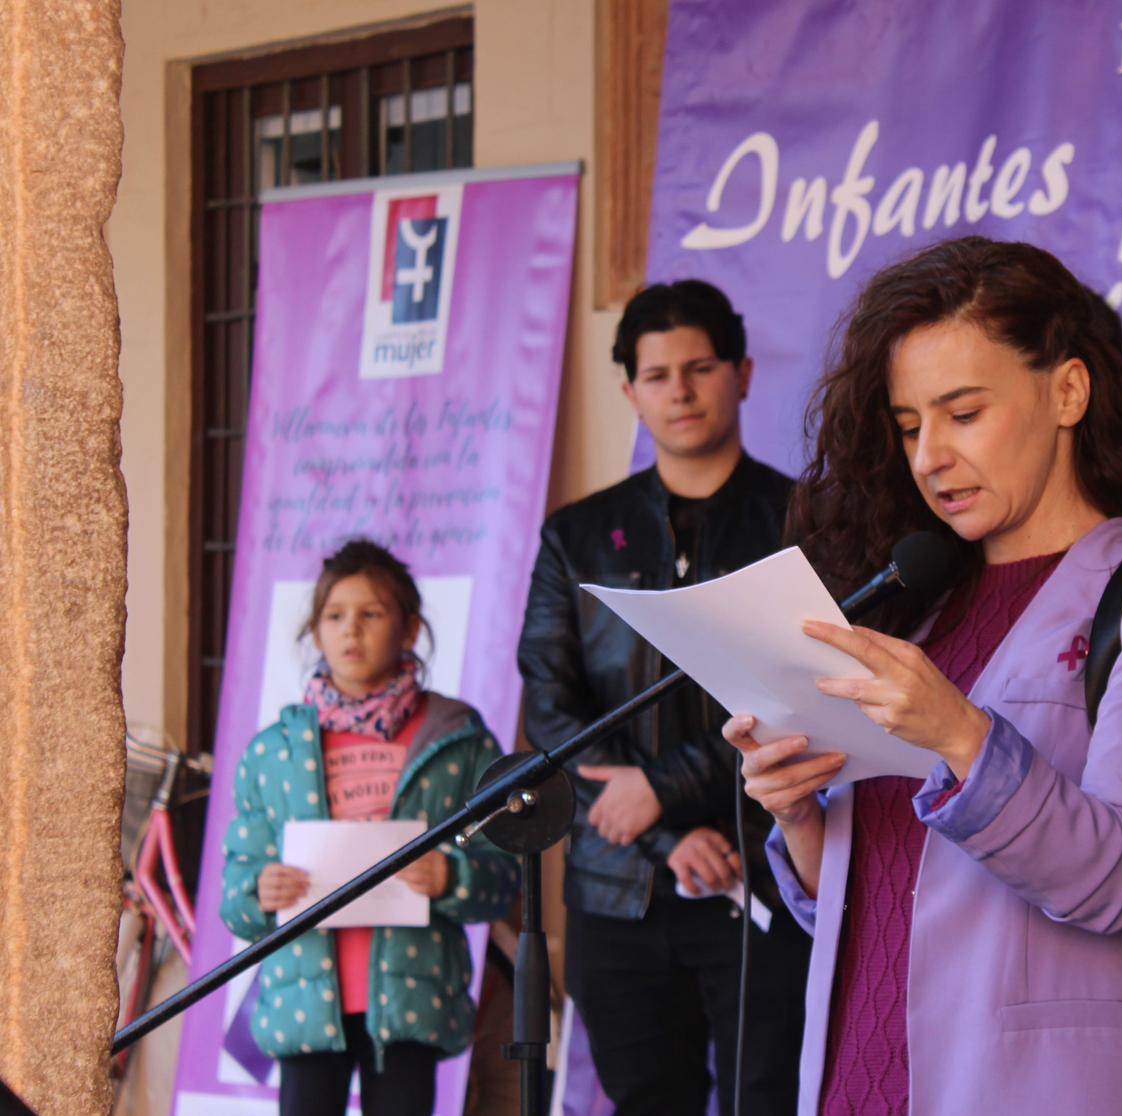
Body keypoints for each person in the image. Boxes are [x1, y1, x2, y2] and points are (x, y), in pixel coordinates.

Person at [719, 236, 1122, 1116]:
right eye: (908, 426)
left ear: (1068, 392)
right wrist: (798, 812)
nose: (929, 455)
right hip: (858, 1078)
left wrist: (960, 735)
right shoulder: (915, 612)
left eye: (963, 413)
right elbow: (880, 908)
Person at [517, 279, 808, 1115]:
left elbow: (806, 688)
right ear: (629, 391)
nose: (679, 391)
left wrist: (667, 788)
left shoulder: (800, 519)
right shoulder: (575, 534)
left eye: (701, 366)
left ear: (743, 372)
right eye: (656, 375)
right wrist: (663, 830)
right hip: (619, 885)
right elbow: (549, 701)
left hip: (763, 870)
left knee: (770, 1098)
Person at [219, 539, 518, 1116]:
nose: (350, 630)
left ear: (409, 630)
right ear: (315, 632)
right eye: (334, 616)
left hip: (413, 997)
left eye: (371, 613)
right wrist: (258, 890)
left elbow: (502, 877)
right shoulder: (272, 753)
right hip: (303, 999)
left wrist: (451, 877)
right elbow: (235, 890)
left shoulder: (458, 741)